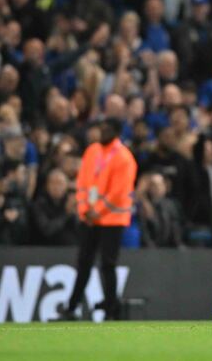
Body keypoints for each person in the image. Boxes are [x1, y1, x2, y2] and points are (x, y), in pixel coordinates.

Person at [57, 117, 137, 320]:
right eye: (101, 129)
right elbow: (82, 182)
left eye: (107, 130)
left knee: (107, 264)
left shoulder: (124, 158)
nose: (102, 133)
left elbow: (119, 192)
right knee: (84, 262)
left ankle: (112, 309)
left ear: (117, 133)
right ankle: (73, 308)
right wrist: (84, 208)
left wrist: (96, 211)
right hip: (90, 218)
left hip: (112, 220)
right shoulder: (92, 151)